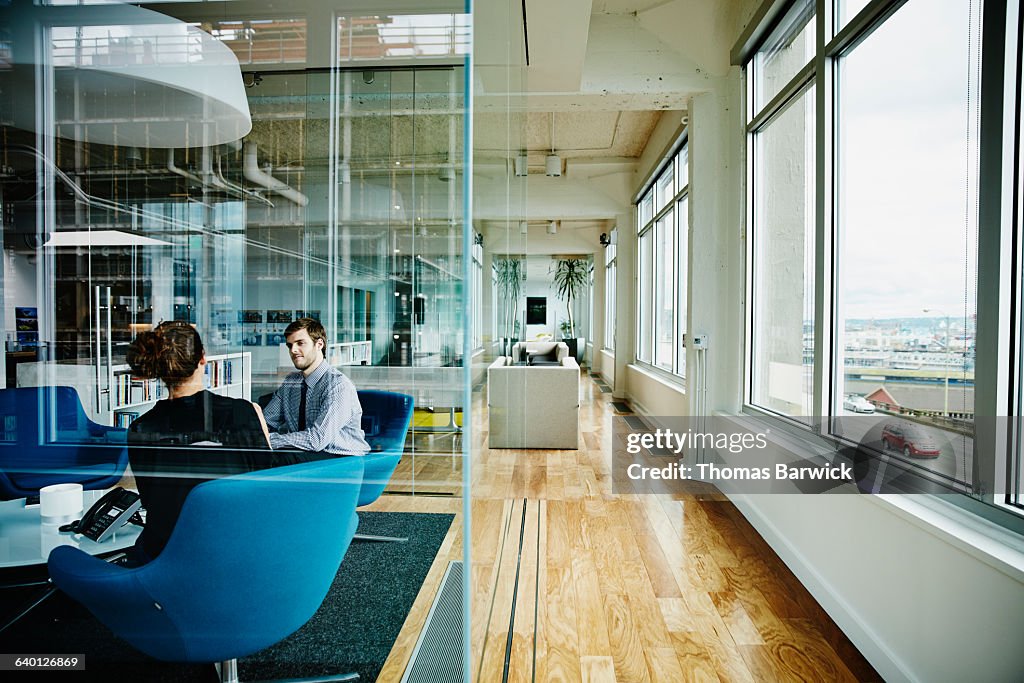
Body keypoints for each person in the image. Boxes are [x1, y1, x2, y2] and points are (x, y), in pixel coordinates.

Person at [124, 321, 278, 563]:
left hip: (167, 558)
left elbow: (151, 500)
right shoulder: (246, 411)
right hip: (240, 552)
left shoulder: (140, 427)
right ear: (203, 359)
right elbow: (268, 488)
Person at [263, 317, 370, 458]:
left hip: (340, 458)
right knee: (254, 456)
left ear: (319, 344)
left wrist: (269, 440)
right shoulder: (291, 382)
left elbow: (317, 439)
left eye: (300, 343)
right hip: (306, 454)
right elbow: (266, 421)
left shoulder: (338, 385)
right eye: (290, 345)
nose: (293, 350)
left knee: (273, 460)